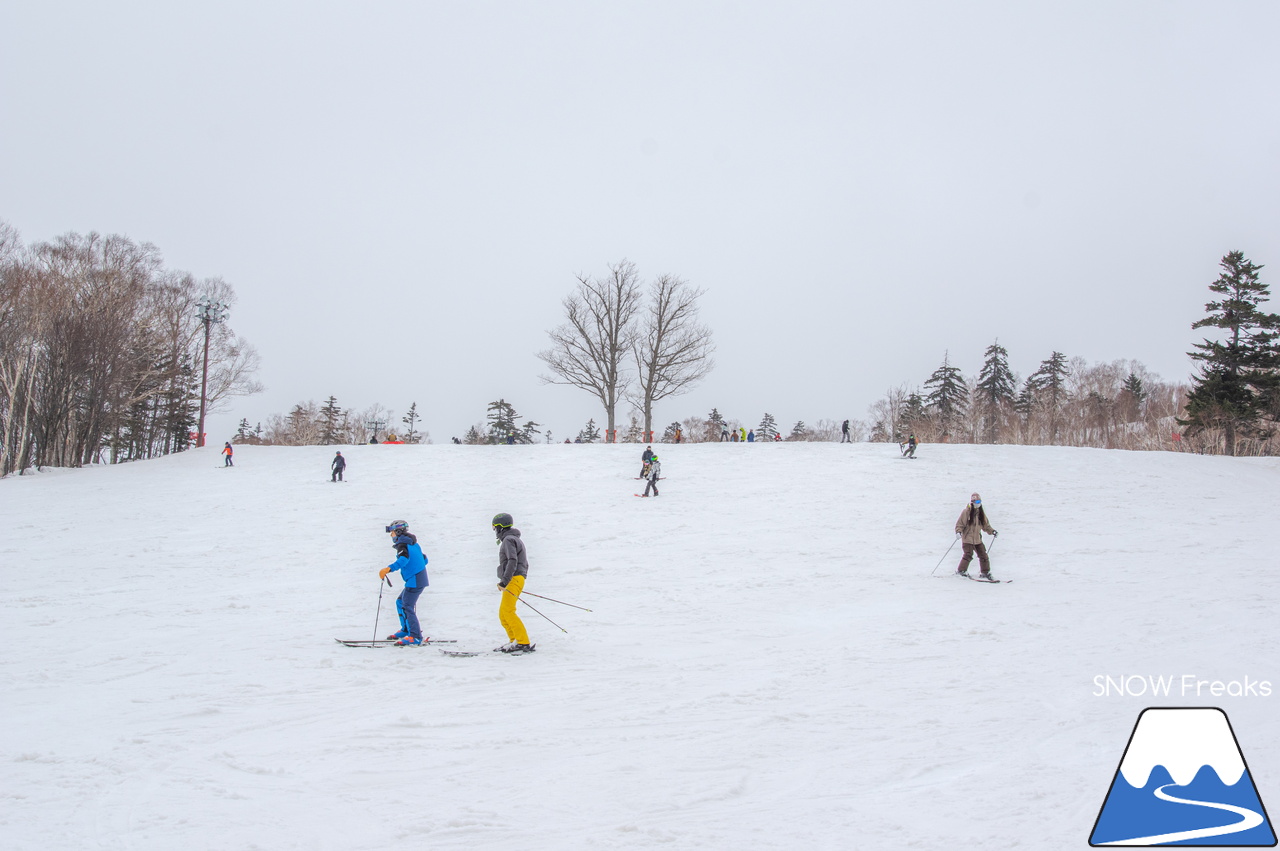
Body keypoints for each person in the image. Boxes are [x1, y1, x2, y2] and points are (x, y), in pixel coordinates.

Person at [379, 520, 430, 645]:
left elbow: (403, 560)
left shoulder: (403, 545)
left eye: (392, 533)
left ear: (398, 531)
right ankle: (406, 630)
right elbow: (425, 559)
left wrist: (389, 569)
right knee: (400, 602)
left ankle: (415, 636)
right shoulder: (412, 543)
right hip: (417, 579)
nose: (391, 536)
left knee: (407, 606)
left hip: (415, 581)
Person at [492, 513, 534, 653]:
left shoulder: (509, 540)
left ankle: (522, 642)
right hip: (515, 578)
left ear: (500, 528)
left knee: (508, 612)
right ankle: (514, 641)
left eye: (495, 528)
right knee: (503, 613)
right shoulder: (512, 539)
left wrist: (504, 581)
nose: (494, 531)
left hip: (513, 578)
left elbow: (512, 560)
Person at [955, 493, 998, 579]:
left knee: (983, 555)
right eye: (976, 501)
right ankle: (961, 571)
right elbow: (960, 524)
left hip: (977, 539)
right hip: (967, 539)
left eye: (979, 501)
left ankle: (985, 572)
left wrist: (992, 531)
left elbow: (986, 526)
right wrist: (958, 532)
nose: (978, 503)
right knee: (968, 555)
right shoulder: (966, 512)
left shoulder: (981, 513)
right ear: (972, 502)